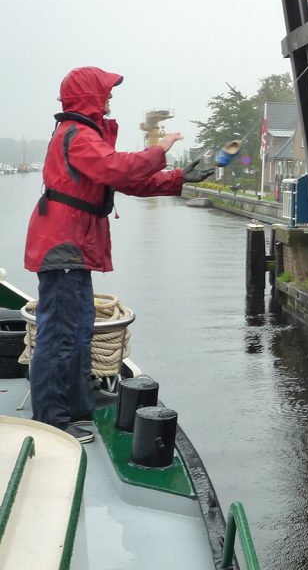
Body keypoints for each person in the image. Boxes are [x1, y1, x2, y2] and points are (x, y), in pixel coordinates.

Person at [24, 66, 214, 443]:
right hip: (65, 247)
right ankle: (53, 422)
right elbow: (116, 168)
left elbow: (126, 179)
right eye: (106, 93)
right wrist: (159, 150)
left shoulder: (81, 135)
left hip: (70, 247)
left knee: (76, 333)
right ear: (91, 97)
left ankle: (74, 410)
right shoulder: (76, 135)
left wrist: (178, 178)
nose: (110, 99)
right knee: (61, 336)